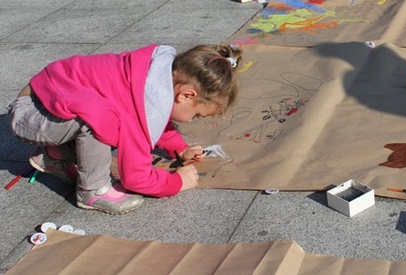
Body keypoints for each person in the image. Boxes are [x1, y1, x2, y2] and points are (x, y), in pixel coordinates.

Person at [8, 44, 242, 214]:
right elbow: (136, 178)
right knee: (101, 120)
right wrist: (176, 182)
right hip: (31, 114)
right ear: (186, 95)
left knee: (100, 113)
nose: (191, 121)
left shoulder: (156, 76)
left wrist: (179, 147)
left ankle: (55, 155)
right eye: (197, 114)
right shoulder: (139, 104)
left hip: (45, 102)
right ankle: (93, 191)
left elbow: (157, 115)